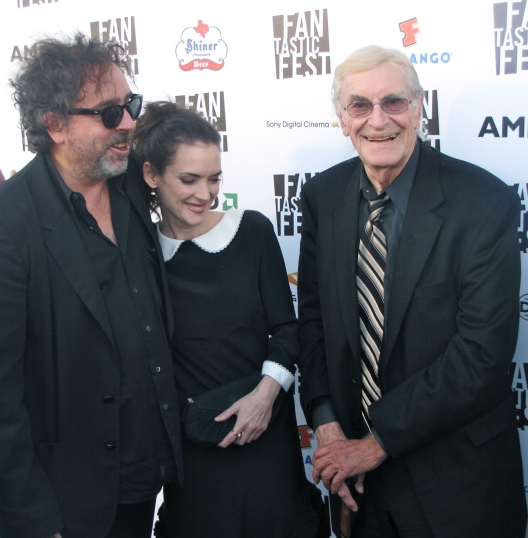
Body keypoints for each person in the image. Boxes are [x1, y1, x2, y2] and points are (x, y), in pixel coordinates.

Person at [297, 44, 526, 537]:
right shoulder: (322, 197)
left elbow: (481, 354)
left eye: (393, 102)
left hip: (456, 488)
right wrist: (326, 421)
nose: (378, 120)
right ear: (342, 117)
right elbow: (313, 322)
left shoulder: (484, 203)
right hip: (358, 490)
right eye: (360, 105)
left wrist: (375, 443)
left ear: (420, 107)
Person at [0, 33, 183, 538]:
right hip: (70, 501)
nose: (128, 123)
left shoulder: (130, 184)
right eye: (109, 113)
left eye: (130, 105)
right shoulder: (4, 226)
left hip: (147, 476)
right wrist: (32, 521)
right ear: (55, 125)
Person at [133, 101, 325, 538]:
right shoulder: (140, 256)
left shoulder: (251, 231)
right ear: (151, 175)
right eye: (189, 179)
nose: (206, 193)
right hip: (193, 447)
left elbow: (287, 329)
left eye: (214, 178)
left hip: (266, 434)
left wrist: (264, 396)